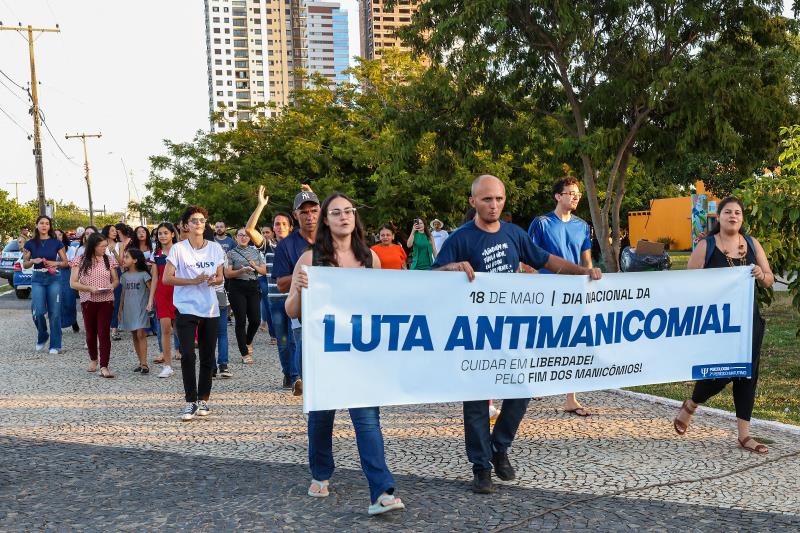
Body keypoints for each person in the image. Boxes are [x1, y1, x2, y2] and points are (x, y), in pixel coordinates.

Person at [433, 174, 602, 494]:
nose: (493, 205)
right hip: (475, 334)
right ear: (473, 202)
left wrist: (583, 272)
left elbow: (545, 261)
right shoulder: (460, 238)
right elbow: (429, 277)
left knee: (522, 388)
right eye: (486, 199)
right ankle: (481, 467)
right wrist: (450, 270)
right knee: (477, 402)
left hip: (511, 331)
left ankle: (500, 447)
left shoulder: (514, 234)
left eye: (498, 198)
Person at [285, 192, 405, 516]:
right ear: (326, 220)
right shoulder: (310, 260)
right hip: (322, 355)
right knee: (321, 419)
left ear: (355, 217)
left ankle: (382, 491)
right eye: (336, 212)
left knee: (367, 420)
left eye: (349, 211)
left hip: (360, 355)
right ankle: (321, 471)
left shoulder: (370, 259)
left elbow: (380, 306)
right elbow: (291, 309)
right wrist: (299, 286)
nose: (343, 217)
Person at [673, 196, 774, 455]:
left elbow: (769, 279)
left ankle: (744, 435)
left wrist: (761, 275)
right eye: (727, 212)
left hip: (749, 320)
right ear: (718, 217)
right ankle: (692, 403)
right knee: (722, 372)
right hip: (718, 324)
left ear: (742, 218)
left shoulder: (752, 244)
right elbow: (691, 283)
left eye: (738, 212)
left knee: (747, 375)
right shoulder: (706, 246)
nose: (733, 216)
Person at [527, 177, 594, 417]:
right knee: (543, 339)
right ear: (558, 196)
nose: (575, 197)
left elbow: (586, 261)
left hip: (573, 293)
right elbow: (530, 258)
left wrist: (591, 281)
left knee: (573, 342)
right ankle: (535, 382)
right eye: (570, 193)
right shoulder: (542, 223)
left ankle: (571, 398)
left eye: (577, 194)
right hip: (546, 291)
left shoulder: (582, 226)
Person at [163, 206, 226, 421]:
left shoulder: (215, 249)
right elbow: (167, 278)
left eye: (201, 220)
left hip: (210, 308)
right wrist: (192, 281)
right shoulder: (178, 249)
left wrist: (214, 279)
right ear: (185, 225)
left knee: (208, 355)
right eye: (193, 220)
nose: (198, 223)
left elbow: (221, 277)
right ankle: (190, 401)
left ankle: (203, 400)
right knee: (188, 354)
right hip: (185, 307)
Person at [271, 187, 320, 395]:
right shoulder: (286, 246)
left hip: (332, 308)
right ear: (295, 215)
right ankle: (298, 379)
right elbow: (281, 284)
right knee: (302, 348)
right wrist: (306, 273)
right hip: (301, 310)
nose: (309, 216)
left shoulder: (334, 240)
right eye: (304, 212)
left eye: (313, 211)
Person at [245, 192, 297, 387]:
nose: (280, 227)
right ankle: (289, 374)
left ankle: (296, 375)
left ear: (291, 227)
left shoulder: (298, 245)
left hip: (296, 299)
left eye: (284, 224)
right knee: (283, 342)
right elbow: (250, 229)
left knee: (295, 340)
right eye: (277, 224)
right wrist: (260, 205)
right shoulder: (269, 246)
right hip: (275, 300)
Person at [70, 233, 119, 377]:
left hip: (106, 300)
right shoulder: (80, 260)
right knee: (91, 333)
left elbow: (116, 280)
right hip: (88, 300)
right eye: (102, 246)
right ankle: (93, 359)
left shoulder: (108, 260)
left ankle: (104, 366)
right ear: (93, 246)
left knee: (104, 333)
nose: (105, 248)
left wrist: (111, 286)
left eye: (105, 245)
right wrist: (90, 288)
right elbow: (73, 283)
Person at [22, 216, 69, 354]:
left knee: (55, 313)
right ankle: (42, 334)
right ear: (37, 225)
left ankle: (55, 345)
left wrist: (55, 263)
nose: (44, 226)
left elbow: (66, 262)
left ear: (50, 226)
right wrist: (33, 261)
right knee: (38, 311)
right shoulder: (29, 244)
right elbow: (25, 263)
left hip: (53, 278)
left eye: (47, 223)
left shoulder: (57, 243)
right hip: (37, 278)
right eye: (41, 223)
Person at [224, 228, 267, 365]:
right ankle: (244, 352)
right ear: (236, 237)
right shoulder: (230, 253)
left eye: (246, 235)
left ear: (250, 238)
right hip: (236, 287)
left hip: (253, 286)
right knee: (241, 320)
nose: (243, 237)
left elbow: (264, 271)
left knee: (255, 320)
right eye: (240, 235)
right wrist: (241, 270)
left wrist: (255, 267)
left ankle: (248, 341)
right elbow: (228, 274)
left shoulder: (256, 252)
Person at [149, 222, 180, 378]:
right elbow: (155, 278)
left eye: (165, 233)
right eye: (159, 233)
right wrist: (150, 300)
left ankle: (187, 358)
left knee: (181, 330)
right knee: (165, 330)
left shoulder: (181, 251)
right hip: (162, 295)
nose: (162, 236)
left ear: (172, 234)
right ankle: (167, 365)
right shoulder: (156, 255)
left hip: (180, 293)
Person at [118, 248, 152, 375]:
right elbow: (123, 293)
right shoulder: (124, 276)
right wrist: (120, 309)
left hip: (141, 308)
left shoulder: (144, 274)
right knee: (134, 334)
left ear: (135, 260)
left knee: (140, 334)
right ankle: (140, 362)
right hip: (129, 308)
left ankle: (144, 363)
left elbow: (151, 290)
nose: (124, 259)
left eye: (127, 257)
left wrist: (151, 304)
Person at [56, 229, 80, 333]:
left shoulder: (71, 249)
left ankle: (73, 321)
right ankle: (58, 325)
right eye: (55, 235)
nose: (57, 237)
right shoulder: (50, 249)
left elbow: (73, 263)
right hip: (54, 277)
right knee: (56, 302)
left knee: (69, 301)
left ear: (63, 236)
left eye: (60, 235)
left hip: (67, 276)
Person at [258, 225, 277, 339]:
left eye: (267, 232)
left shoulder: (276, 245)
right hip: (263, 278)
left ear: (272, 233)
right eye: (263, 233)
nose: (265, 235)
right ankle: (273, 334)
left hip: (274, 277)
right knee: (267, 304)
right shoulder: (259, 246)